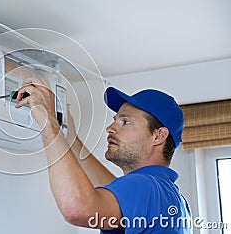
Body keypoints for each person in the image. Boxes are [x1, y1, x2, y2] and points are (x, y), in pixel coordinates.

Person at [15, 77, 191, 233]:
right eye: (115, 120)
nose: (110, 128)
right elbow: (115, 189)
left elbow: (76, 209)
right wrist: (73, 142)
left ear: (158, 136)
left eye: (125, 121)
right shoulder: (170, 196)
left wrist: (49, 123)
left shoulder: (145, 186)